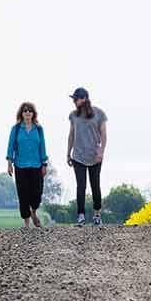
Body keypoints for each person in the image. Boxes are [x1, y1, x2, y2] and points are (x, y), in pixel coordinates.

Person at [64, 87, 108, 226]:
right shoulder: (73, 115)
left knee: (95, 186)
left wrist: (101, 152)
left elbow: (104, 135)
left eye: (76, 99)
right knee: (81, 186)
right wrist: (68, 153)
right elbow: (71, 135)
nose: (74, 101)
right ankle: (81, 216)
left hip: (95, 156)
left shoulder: (99, 113)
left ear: (84, 99)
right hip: (78, 156)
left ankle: (97, 214)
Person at [6, 101, 50, 228]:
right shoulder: (16, 129)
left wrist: (44, 163)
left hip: (36, 165)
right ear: (21, 113)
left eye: (30, 110)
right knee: (23, 194)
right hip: (20, 166)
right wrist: (9, 163)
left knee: (37, 193)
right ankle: (26, 223)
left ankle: (33, 212)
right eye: (25, 110)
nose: (27, 113)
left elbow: (42, 146)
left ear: (33, 113)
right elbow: (11, 146)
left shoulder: (39, 129)